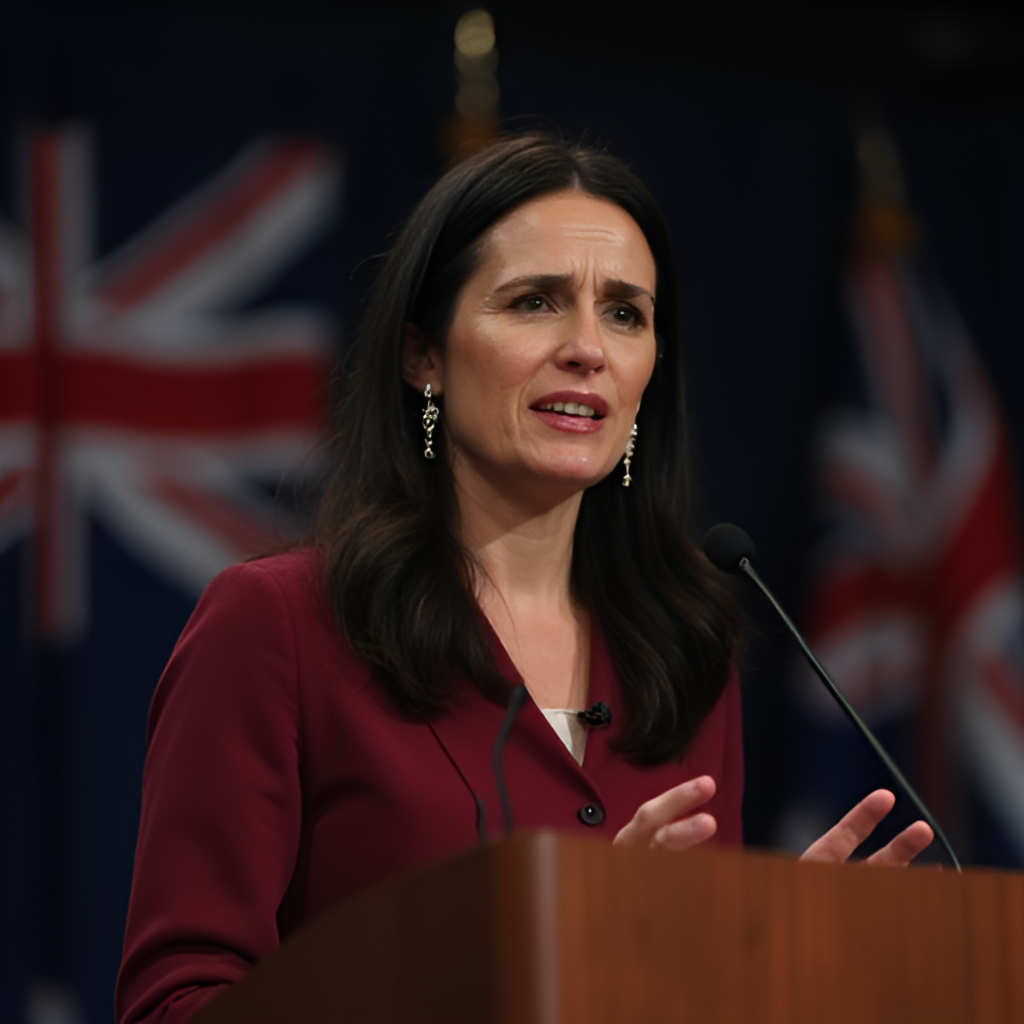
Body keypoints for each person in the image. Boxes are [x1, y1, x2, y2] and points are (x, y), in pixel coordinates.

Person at [115, 134, 933, 1024]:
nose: (587, 347)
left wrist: (762, 984)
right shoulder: (279, 626)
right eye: (535, 302)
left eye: (625, 313)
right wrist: (535, 960)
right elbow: (176, 1005)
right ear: (422, 355)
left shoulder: (686, 660)